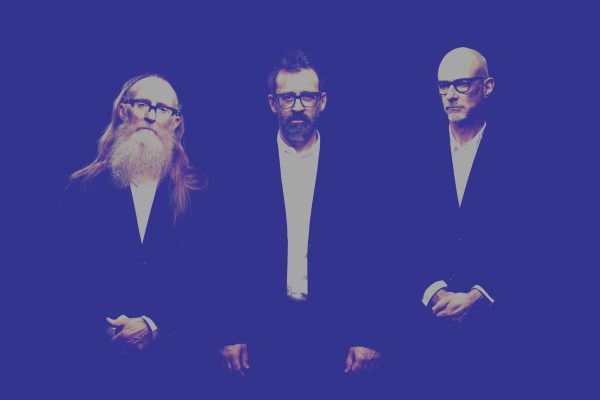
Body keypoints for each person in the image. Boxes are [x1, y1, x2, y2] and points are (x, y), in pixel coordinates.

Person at [215, 49, 383, 398]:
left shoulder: (359, 165)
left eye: (307, 96)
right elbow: (224, 251)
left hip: (336, 332)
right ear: (272, 103)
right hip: (260, 333)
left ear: (322, 101)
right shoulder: (239, 165)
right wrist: (230, 330)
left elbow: (376, 252)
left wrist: (367, 333)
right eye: (287, 97)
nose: (297, 106)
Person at [60, 74, 208, 398]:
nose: (151, 116)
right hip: (96, 364)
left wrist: (154, 325)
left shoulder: (198, 193)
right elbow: (64, 276)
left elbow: (206, 277)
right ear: (123, 111)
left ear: (176, 122)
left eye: (162, 109)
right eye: (142, 104)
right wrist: (102, 328)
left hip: (176, 365)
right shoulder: (82, 189)